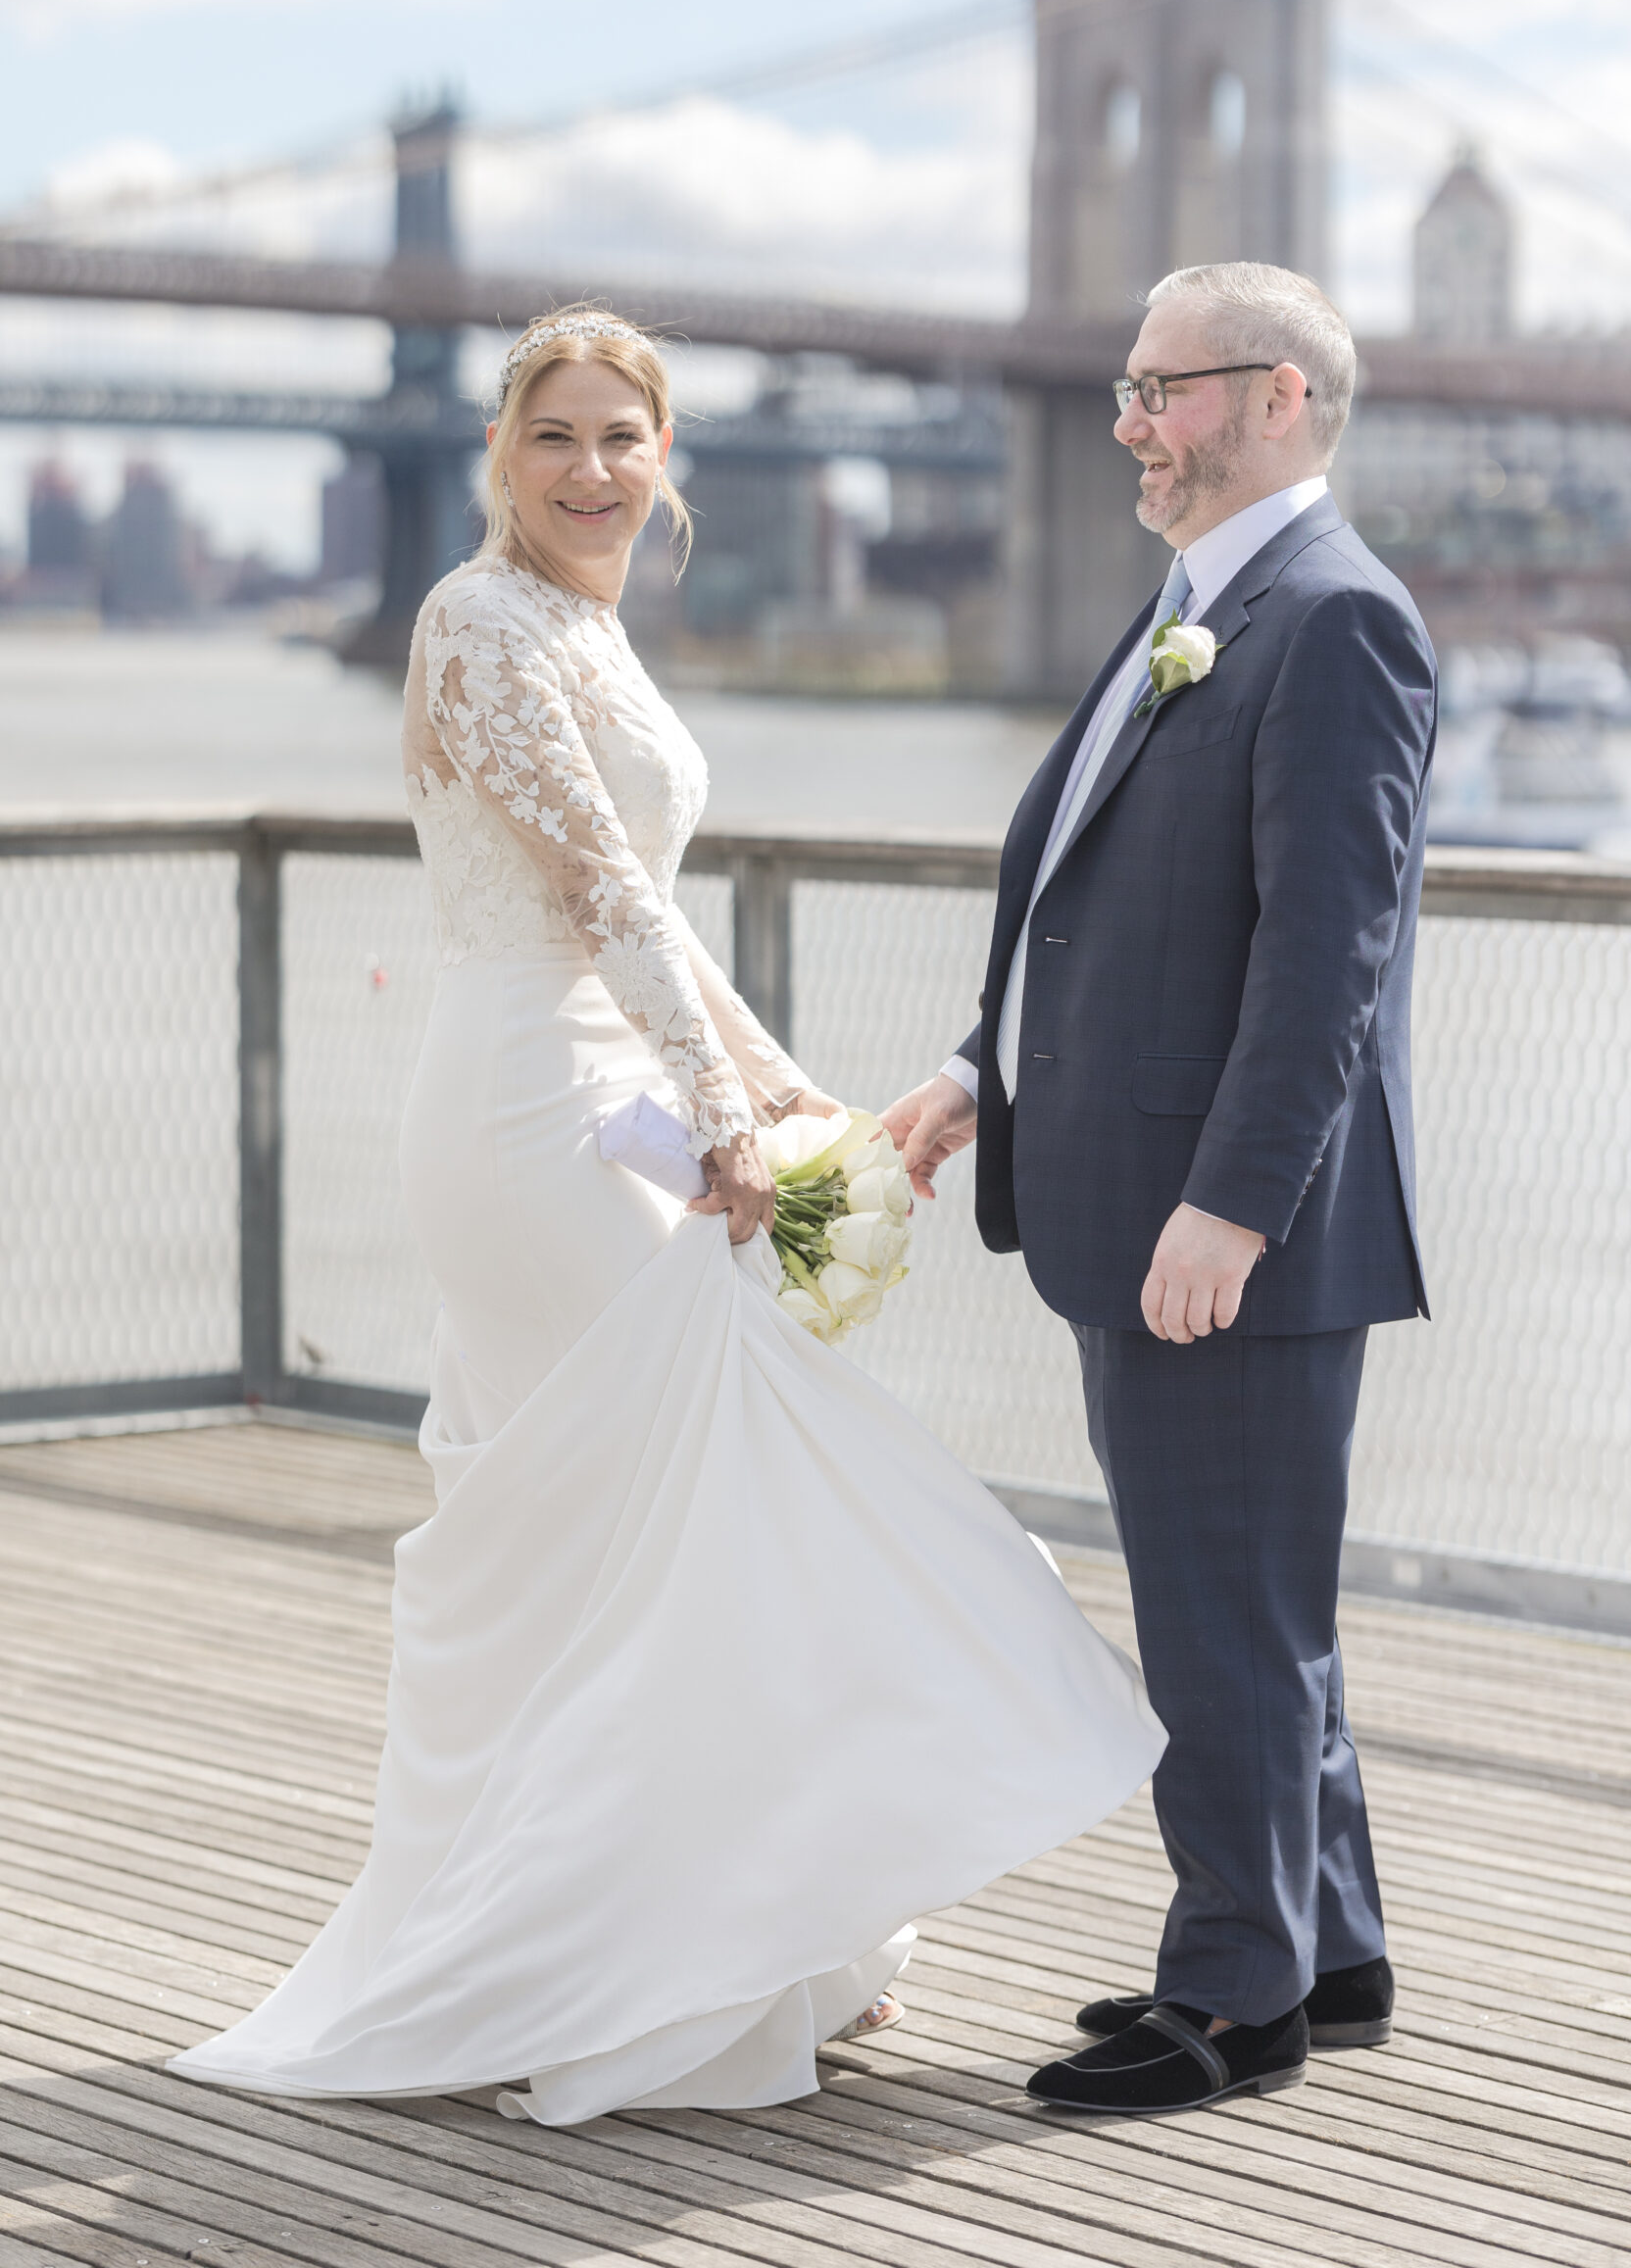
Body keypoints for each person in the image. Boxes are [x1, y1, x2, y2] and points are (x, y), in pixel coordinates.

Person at [167, 305, 1163, 2124]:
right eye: (555, 435)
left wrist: (779, 1092)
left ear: (666, 459)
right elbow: (597, 883)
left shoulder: (595, 632)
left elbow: (657, 927)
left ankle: (687, 1940)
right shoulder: (476, 618)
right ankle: (640, 1971)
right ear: (500, 456)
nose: (591, 469)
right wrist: (721, 1122)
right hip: (524, 1108)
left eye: (624, 437)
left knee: (632, 1531)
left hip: (607, 1087)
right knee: (674, 1507)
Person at [882, 261, 1437, 2120]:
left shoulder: (1335, 619)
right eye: (1121, 388)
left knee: (1218, 1619)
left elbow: (1323, 966)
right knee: (1255, 1601)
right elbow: (1092, 899)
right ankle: (1329, 1951)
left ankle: (1229, 2001)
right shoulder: (1201, 603)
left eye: (1159, 389)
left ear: (1275, 396)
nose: (1125, 421)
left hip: (1226, 1229)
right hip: (1147, 1194)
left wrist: (1235, 1204)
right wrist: (983, 1072)